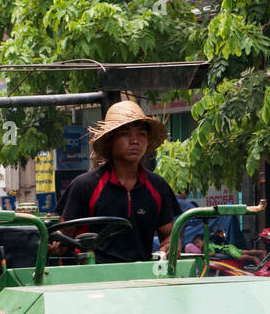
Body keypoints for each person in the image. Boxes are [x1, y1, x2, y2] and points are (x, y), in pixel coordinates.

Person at [56, 101, 183, 263]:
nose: (135, 140)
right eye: (125, 133)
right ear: (110, 140)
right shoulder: (84, 186)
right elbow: (63, 236)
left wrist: (171, 245)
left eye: (141, 134)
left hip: (142, 279)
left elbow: (169, 234)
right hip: (92, 280)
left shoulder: (158, 186)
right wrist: (57, 243)